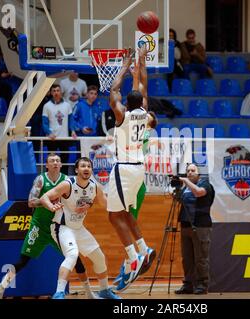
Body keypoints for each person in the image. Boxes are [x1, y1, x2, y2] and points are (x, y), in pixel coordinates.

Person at [0, 154, 99, 299]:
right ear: (47, 165)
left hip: (60, 227)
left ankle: (89, 293)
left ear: (61, 165)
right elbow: (31, 202)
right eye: (52, 161)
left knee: (77, 260)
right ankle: (1, 287)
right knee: (23, 260)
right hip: (40, 226)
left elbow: (85, 197)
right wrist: (49, 202)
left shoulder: (68, 181)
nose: (55, 163)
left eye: (57, 161)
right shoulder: (41, 179)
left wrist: (88, 204)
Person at [107, 47, 156, 292]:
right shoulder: (146, 115)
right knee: (125, 215)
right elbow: (143, 87)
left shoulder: (122, 115)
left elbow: (113, 90)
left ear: (127, 102)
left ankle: (133, 257)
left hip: (124, 168)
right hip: (139, 169)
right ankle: (143, 249)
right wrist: (142, 62)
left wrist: (125, 66)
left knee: (113, 216)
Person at [40, 157, 120, 299]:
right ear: (77, 170)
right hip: (62, 227)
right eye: (83, 166)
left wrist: (122, 201)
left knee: (100, 258)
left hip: (79, 228)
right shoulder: (68, 184)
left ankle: (104, 290)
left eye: (89, 166)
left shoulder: (94, 187)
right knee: (72, 255)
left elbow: (106, 204)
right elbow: (44, 197)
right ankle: (58, 293)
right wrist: (51, 206)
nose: (86, 169)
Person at [174, 163, 215, 295]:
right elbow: (178, 200)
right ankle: (188, 284)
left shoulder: (205, 184)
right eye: (188, 171)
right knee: (187, 258)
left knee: (201, 258)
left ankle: (202, 285)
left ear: (198, 173)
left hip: (201, 226)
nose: (190, 173)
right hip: (185, 226)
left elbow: (198, 193)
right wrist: (176, 189)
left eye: (193, 170)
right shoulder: (186, 188)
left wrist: (185, 181)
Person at [42, 84, 77, 175]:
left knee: (64, 160)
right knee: (51, 160)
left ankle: (64, 179)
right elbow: (44, 123)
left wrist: (72, 131)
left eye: (58, 90)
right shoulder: (47, 106)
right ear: (51, 93)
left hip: (64, 138)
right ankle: (49, 177)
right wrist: (49, 133)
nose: (56, 93)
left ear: (61, 92)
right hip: (52, 138)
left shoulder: (67, 105)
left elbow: (71, 121)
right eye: (54, 91)